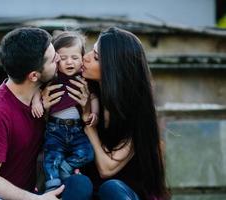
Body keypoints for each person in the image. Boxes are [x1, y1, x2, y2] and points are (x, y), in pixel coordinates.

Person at [0, 27, 92, 200]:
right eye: (53, 59)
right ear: (34, 75)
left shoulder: (44, 101)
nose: (59, 58)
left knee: (80, 185)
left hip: (23, 194)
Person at [63, 27, 170, 200]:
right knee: (77, 183)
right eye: (92, 51)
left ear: (114, 70)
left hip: (123, 194)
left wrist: (90, 129)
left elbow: (106, 169)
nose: (86, 57)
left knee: (111, 188)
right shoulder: (87, 94)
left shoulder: (137, 112)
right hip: (91, 194)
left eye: (96, 57)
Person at [31, 31, 98, 192]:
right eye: (63, 58)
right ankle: (52, 186)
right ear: (55, 59)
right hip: (55, 129)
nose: (69, 62)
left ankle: (66, 167)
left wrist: (93, 112)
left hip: (77, 129)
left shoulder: (84, 78)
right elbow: (36, 88)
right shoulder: (52, 76)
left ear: (82, 58)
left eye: (75, 58)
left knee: (87, 153)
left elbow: (94, 96)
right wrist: (36, 102)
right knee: (51, 158)